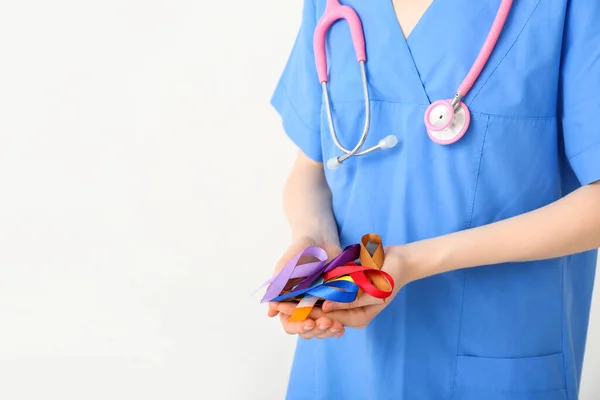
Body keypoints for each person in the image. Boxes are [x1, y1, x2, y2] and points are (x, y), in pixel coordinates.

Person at [267, 0, 600, 398]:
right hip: (341, 356)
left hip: (492, 354)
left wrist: (413, 261)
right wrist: (313, 242)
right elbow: (311, 168)